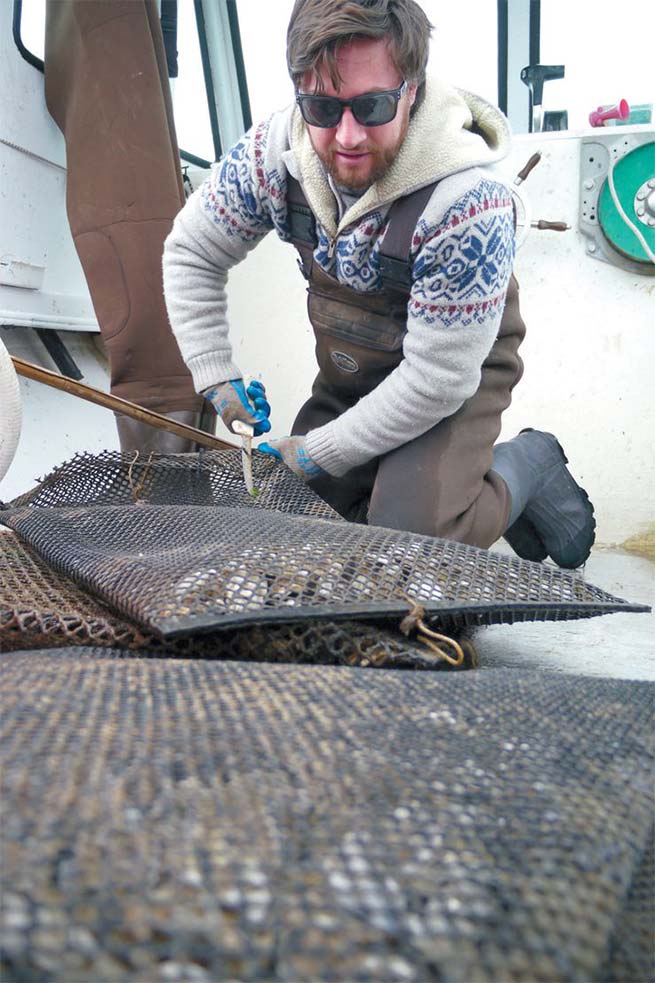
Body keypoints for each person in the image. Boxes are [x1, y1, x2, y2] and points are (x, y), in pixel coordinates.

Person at [163, 0, 595, 569]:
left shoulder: (468, 204)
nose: (346, 135)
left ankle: (530, 463)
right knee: (280, 517)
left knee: (407, 549)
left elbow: (437, 381)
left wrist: (317, 453)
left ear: (411, 90)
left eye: (371, 106)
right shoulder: (272, 154)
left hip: (451, 382)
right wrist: (216, 374)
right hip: (353, 372)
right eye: (321, 106)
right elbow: (191, 251)